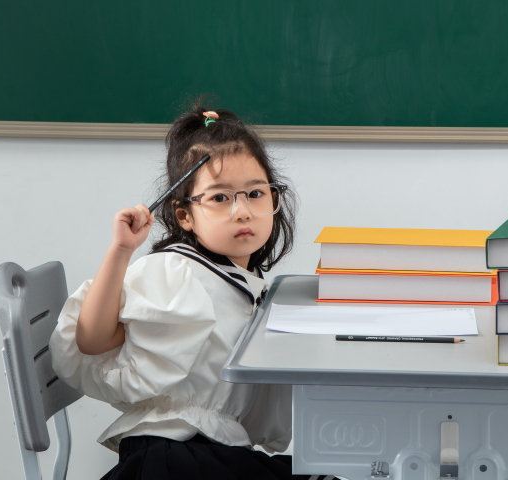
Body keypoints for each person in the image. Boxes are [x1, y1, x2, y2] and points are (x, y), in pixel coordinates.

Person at [49, 103, 328, 480]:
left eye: (255, 193)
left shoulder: (243, 279)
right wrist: (121, 250)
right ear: (185, 215)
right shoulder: (175, 272)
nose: (243, 211)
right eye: (220, 198)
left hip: (213, 449)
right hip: (171, 457)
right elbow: (92, 340)